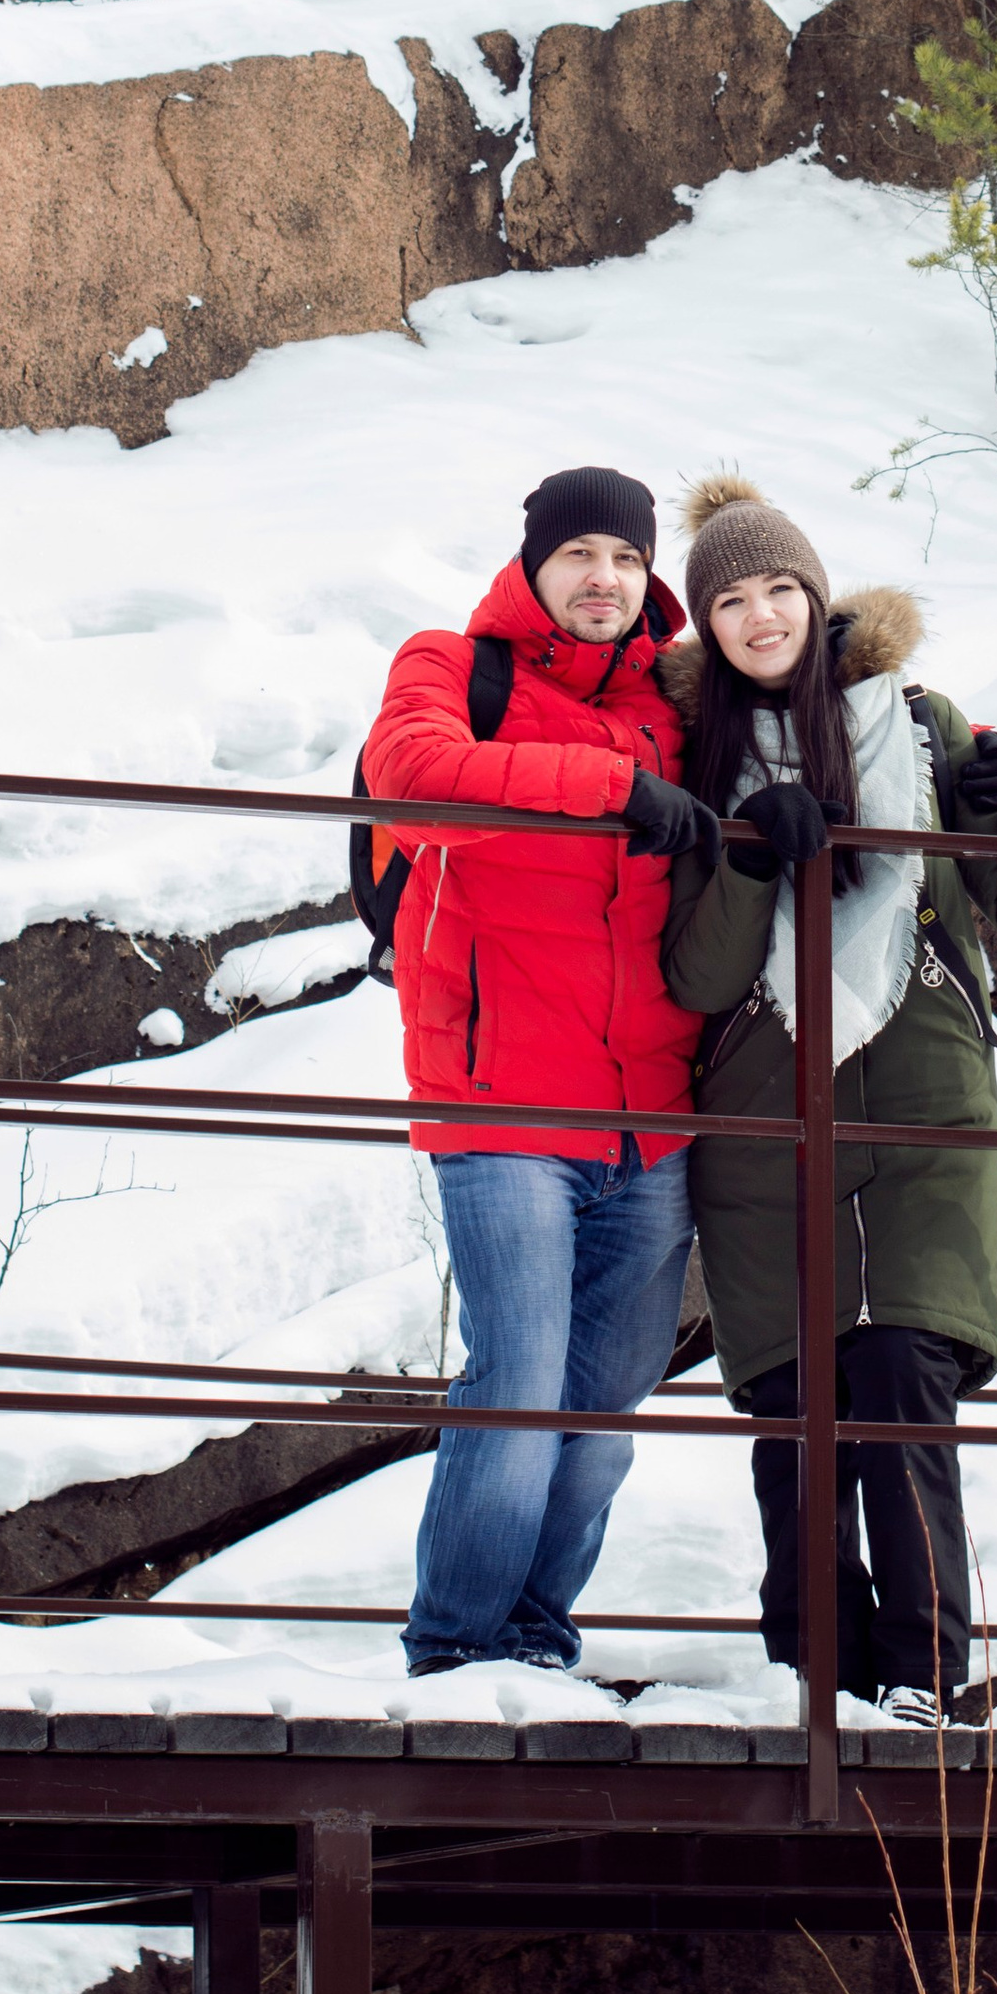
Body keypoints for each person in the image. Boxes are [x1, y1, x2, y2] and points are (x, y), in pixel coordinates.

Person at [657, 473, 997, 1721]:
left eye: (778, 588)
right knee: (796, 1401)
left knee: (906, 1375)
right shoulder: (690, 756)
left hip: (923, 1101)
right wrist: (755, 853)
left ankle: (926, 1681)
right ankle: (817, 1685)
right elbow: (699, 971)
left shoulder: (917, 721)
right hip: (766, 1114)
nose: (759, 615)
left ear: (817, 597)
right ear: (705, 623)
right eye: (728, 598)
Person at [364, 464, 721, 1680]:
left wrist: (989, 756)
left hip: (651, 1118)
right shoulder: (452, 666)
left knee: (604, 1417)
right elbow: (411, 774)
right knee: (517, 1388)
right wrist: (616, 789)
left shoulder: (685, 695)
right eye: (579, 555)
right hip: (502, 1102)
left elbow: (816, 693)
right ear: (532, 565)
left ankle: (535, 1639)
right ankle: (455, 1652)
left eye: (624, 559)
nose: (603, 579)